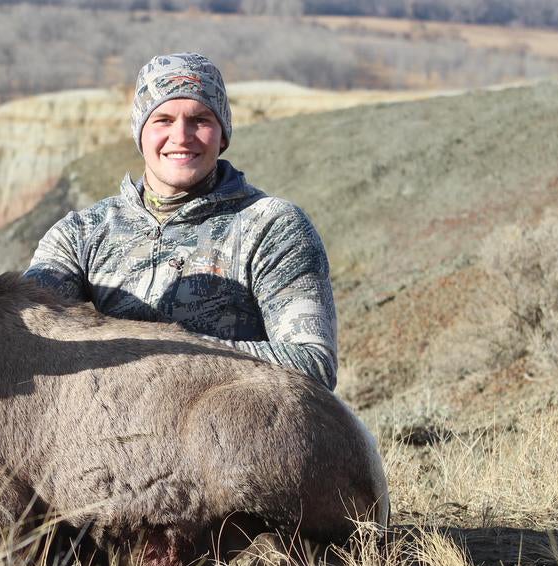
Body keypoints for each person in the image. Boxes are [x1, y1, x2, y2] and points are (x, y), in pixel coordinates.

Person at [21, 52, 339, 390]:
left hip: (233, 432)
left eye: (200, 119)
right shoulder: (81, 233)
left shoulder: (272, 226)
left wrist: (159, 356)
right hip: (109, 433)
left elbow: (312, 363)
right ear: (140, 133)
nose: (182, 135)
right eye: (163, 120)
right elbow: (23, 334)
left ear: (223, 134)